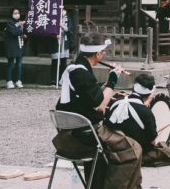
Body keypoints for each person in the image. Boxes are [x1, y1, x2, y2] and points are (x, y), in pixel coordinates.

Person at [54, 32, 140, 189]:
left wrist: (107, 82)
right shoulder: (81, 73)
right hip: (85, 136)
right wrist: (113, 80)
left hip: (72, 132)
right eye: (103, 52)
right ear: (98, 53)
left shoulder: (76, 68)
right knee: (133, 149)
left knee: (121, 147)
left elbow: (91, 93)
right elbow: (99, 104)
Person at [105, 73, 170, 167]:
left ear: (133, 87)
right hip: (132, 149)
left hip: (111, 146)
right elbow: (152, 141)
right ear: (149, 95)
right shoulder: (146, 112)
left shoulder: (116, 102)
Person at [51, 8, 75, 84]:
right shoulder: (53, 18)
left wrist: (63, 27)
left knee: (63, 63)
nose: (62, 11)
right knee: (55, 62)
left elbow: (70, 30)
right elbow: (49, 30)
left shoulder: (68, 19)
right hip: (55, 42)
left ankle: (62, 80)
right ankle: (54, 80)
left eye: (63, 9)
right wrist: (54, 36)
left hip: (64, 42)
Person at [4, 8, 26, 89]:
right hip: (12, 46)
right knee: (10, 64)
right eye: (15, 13)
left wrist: (25, 35)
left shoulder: (20, 22)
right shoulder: (10, 23)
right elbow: (14, 32)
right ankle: (9, 81)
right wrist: (20, 26)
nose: (17, 14)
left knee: (19, 65)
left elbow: (23, 32)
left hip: (20, 45)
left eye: (18, 12)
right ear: (12, 14)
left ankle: (18, 80)